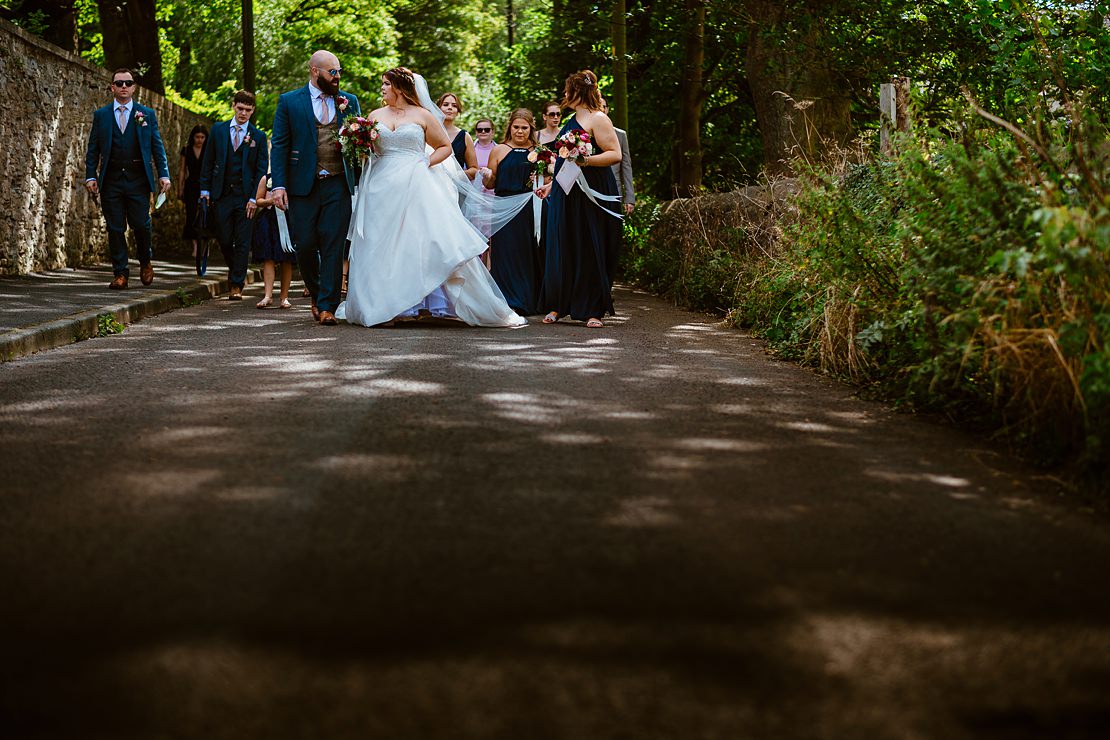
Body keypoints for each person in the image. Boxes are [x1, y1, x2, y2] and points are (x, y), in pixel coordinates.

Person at [336, 68, 529, 329]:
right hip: (381, 184)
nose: (382, 88)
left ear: (400, 88)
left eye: (385, 84)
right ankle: (383, 305)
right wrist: (360, 149)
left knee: (419, 240)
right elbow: (371, 151)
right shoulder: (374, 116)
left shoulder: (423, 115)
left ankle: (425, 303)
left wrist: (425, 162)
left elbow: (445, 147)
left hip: (418, 182)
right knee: (381, 242)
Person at [270, 50, 361, 326]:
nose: (337, 77)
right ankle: (317, 291)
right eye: (332, 72)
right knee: (305, 244)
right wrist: (279, 185)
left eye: (339, 72)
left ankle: (327, 306)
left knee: (333, 245)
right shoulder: (289, 101)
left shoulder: (349, 101)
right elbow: (281, 144)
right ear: (314, 71)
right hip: (302, 186)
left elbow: (358, 143)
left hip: (337, 183)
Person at [535, 70, 624, 328]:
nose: (564, 95)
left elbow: (614, 154)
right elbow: (565, 159)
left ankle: (592, 309)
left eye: (567, 90)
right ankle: (559, 304)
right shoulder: (572, 119)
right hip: (567, 191)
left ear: (578, 92)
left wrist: (586, 160)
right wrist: (551, 186)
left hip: (591, 191)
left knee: (588, 245)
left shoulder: (599, 119)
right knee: (562, 245)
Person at [84, 67, 171, 290]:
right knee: (115, 227)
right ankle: (120, 273)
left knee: (141, 224)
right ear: (112, 87)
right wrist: (90, 176)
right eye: (119, 83)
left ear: (134, 87)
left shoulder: (146, 114)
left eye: (128, 83)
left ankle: (145, 260)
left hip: (138, 179)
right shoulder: (101, 115)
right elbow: (93, 149)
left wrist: (163, 174)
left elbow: (156, 147)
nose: (124, 87)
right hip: (111, 178)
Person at [199, 90, 268, 300]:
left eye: (248, 110)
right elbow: (208, 161)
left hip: (246, 196)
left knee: (243, 241)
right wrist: (205, 189)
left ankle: (236, 284)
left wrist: (254, 198)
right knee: (225, 238)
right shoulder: (218, 130)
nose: (243, 113)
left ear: (253, 111)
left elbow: (261, 169)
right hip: (221, 194)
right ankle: (235, 270)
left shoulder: (258, 136)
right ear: (233, 106)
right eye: (240, 109)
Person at [482, 109, 543, 315]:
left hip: (528, 208)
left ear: (530, 129)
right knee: (505, 253)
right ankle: (505, 300)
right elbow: (490, 184)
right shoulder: (499, 150)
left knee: (526, 253)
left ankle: (527, 298)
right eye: (516, 127)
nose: (519, 131)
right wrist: (487, 175)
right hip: (503, 207)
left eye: (524, 128)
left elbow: (548, 180)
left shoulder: (539, 152)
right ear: (510, 127)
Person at [249, 175, 296, 309]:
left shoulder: (291, 177)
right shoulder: (266, 179)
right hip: (268, 222)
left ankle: (284, 297)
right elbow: (258, 200)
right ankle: (268, 295)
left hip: (287, 221)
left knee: (286, 257)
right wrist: (270, 201)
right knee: (268, 257)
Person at [177, 124, 208, 275]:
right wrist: (180, 187)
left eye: (202, 137)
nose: (200, 140)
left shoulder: (209, 150)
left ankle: (204, 245)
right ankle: (196, 246)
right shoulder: (186, 149)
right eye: (197, 137)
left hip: (205, 185)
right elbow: (182, 169)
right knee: (191, 214)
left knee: (206, 215)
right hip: (191, 185)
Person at [600, 97, 636, 215]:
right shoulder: (586, 135)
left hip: (614, 191)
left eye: (603, 107)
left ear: (607, 109)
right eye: (596, 106)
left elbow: (626, 167)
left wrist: (630, 198)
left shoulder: (620, 135)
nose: (600, 109)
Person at [438, 92, 478, 178]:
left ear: (457, 112)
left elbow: (474, 169)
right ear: (438, 108)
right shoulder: (428, 132)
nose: (450, 108)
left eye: (454, 106)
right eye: (445, 104)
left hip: (456, 188)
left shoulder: (465, 136)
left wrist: (456, 174)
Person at [473, 117, 496, 194]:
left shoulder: (499, 150)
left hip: (493, 193)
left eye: (487, 129)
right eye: (480, 130)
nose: (483, 131)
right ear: (476, 132)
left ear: (492, 132)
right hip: (474, 192)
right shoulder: (469, 149)